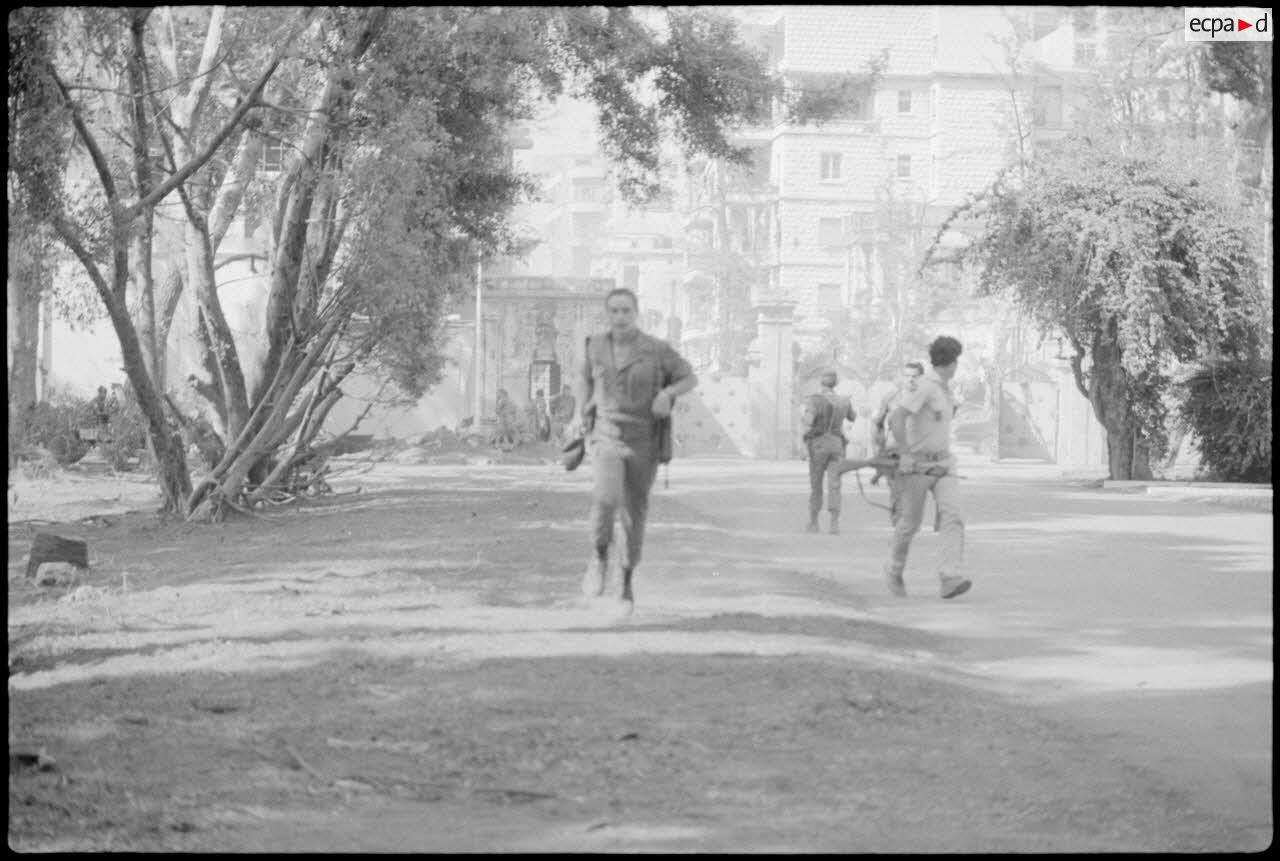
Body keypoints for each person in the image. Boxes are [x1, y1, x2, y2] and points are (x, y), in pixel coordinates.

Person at [569, 287, 697, 616]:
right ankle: (599, 557)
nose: (621, 317)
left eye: (626, 311)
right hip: (606, 433)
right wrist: (578, 412)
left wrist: (667, 393)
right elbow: (583, 379)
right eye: (614, 311)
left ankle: (625, 581)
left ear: (636, 313)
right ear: (607, 314)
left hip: (644, 440)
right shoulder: (595, 346)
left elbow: (688, 377)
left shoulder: (656, 350)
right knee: (605, 498)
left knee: (633, 515)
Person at [882, 335, 970, 600]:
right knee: (910, 523)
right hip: (918, 465)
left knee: (953, 516)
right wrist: (906, 453)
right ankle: (894, 570)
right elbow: (897, 416)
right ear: (953, 362)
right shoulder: (924, 386)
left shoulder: (944, 389)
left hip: (944, 463)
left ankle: (949, 576)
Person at [800, 369, 857, 534]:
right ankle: (834, 524)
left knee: (816, 485)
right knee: (835, 485)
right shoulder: (844, 401)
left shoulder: (814, 400)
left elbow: (808, 423)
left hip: (818, 445)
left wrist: (803, 440)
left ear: (821, 382)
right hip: (837, 445)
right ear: (836, 383)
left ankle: (814, 522)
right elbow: (853, 417)